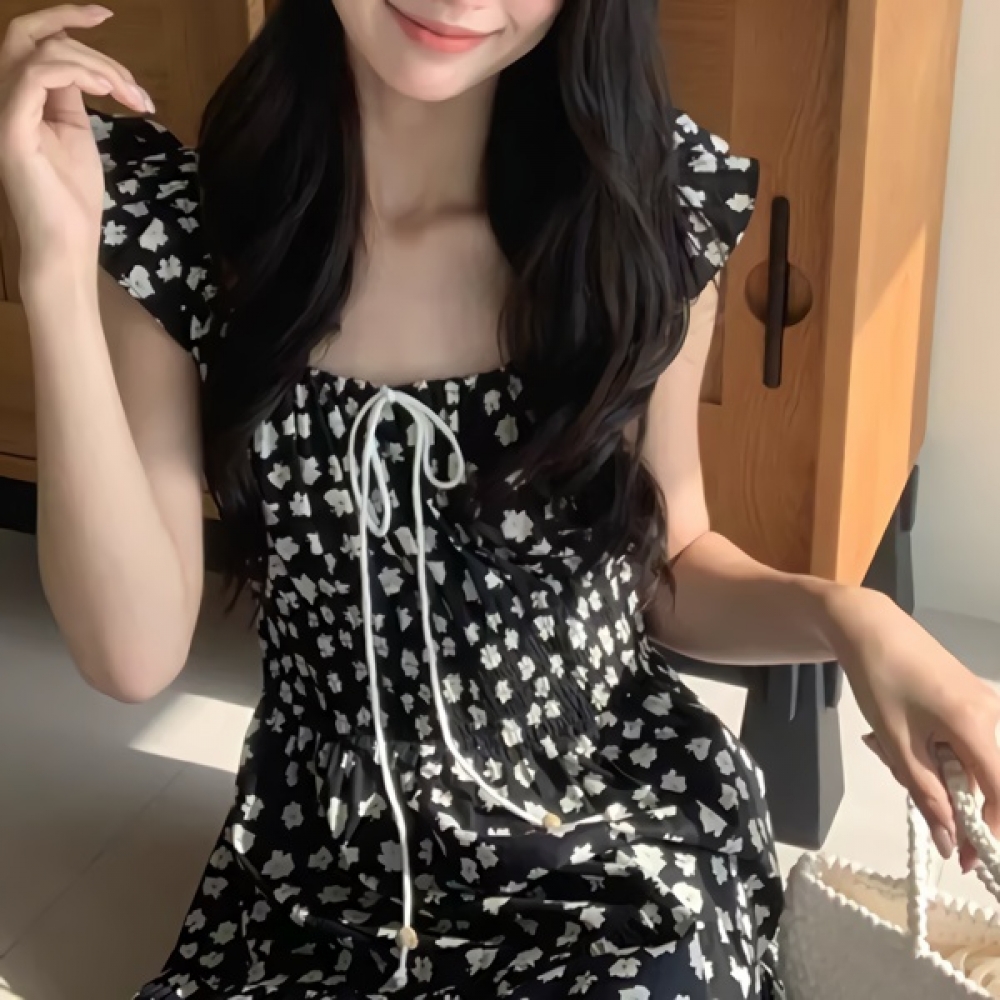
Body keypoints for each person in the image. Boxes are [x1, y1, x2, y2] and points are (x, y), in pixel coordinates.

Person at [1, 1, 998, 997]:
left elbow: (670, 560)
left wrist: (854, 620)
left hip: (612, 833)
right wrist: (55, 268)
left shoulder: (641, 210)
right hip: (329, 867)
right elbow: (131, 655)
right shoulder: (188, 229)